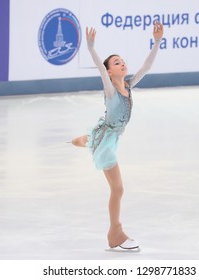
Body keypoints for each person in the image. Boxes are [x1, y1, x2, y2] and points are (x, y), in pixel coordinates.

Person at [71, 21, 164, 251]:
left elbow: (146, 66)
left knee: (89, 139)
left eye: (122, 60)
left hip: (107, 134)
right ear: (110, 72)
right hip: (108, 143)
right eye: (116, 62)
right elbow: (100, 69)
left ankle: (82, 140)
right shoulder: (111, 89)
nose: (121, 63)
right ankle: (116, 233)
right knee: (118, 189)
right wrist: (91, 48)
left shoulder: (129, 85)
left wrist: (157, 42)